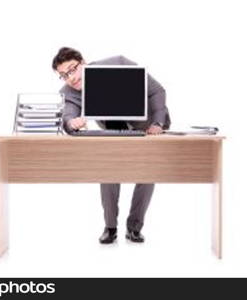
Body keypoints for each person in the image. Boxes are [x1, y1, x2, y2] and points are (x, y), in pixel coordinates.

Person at [51, 47, 171, 244]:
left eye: (72, 70)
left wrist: (157, 123)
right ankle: (110, 227)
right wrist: (71, 123)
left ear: (83, 62)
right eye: (64, 75)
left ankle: (134, 227)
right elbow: (68, 114)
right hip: (114, 130)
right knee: (108, 170)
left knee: (147, 174)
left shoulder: (118, 64)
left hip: (149, 126)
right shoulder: (70, 92)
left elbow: (156, 91)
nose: (70, 78)